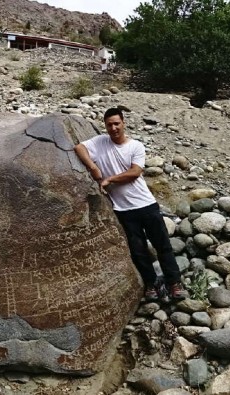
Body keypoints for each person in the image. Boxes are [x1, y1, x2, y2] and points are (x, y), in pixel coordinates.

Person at [74, 108, 189, 301]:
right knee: (138, 250)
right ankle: (151, 284)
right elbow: (79, 148)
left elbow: (135, 172)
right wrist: (93, 166)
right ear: (105, 125)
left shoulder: (135, 146)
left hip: (146, 205)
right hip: (123, 210)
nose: (113, 128)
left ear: (123, 123)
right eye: (109, 124)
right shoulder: (100, 142)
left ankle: (174, 283)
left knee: (163, 246)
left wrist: (109, 180)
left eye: (117, 123)